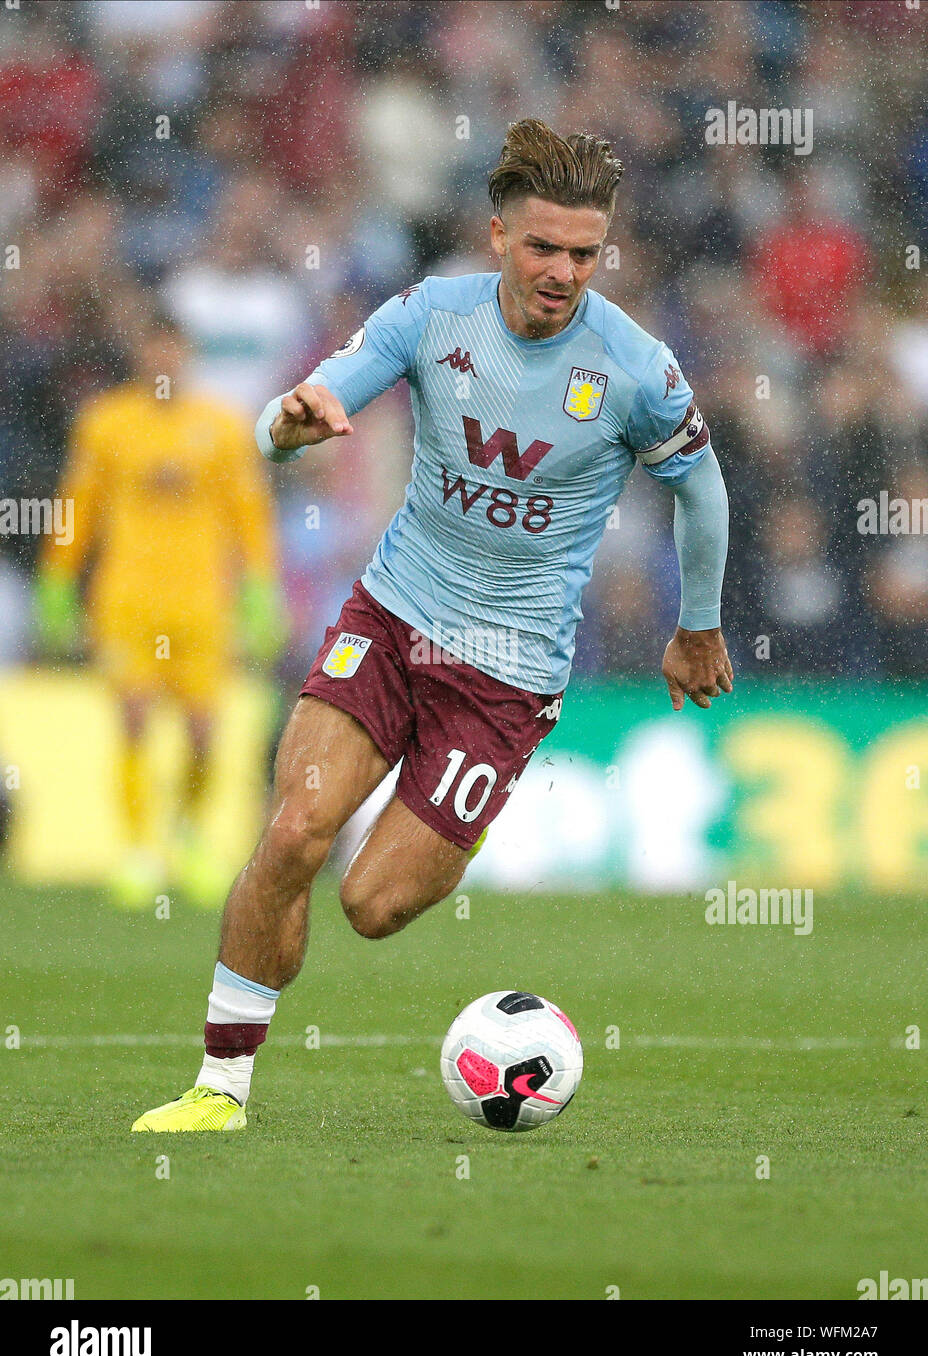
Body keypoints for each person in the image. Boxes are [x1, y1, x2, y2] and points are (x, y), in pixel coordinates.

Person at [132, 118, 732, 1134]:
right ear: (497, 233)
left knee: (371, 905)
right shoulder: (430, 314)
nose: (561, 271)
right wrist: (289, 426)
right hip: (392, 616)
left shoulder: (633, 366)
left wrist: (699, 624)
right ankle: (217, 1089)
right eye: (542, 246)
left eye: (583, 254)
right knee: (290, 834)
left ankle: (453, 815)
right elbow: (293, 411)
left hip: (505, 676)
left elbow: (702, 490)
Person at [36, 315, 284, 908]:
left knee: (202, 731)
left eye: (172, 349)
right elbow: (79, 505)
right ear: (140, 352)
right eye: (153, 347)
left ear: (186, 354)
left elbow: (248, 515)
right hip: (127, 602)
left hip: (201, 604)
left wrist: (259, 592)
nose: (163, 360)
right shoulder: (107, 423)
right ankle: (138, 849)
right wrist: (57, 581)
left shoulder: (221, 427)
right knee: (133, 717)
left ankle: (190, 835)